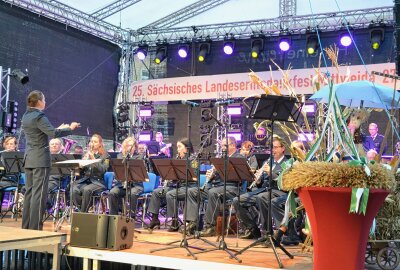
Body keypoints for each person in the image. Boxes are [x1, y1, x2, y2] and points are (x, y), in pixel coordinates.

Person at [21, 90, 80, 230]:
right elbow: (53, 133)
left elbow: (41, 132)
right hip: (40, 160)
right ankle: (35, 228)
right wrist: (69, 128)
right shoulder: (39, 115)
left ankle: (26, 226)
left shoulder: (26, 116)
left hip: (29, 158)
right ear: (40, 101)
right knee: (39, 194)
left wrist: (57, 129)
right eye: (45, 100)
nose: (45, 102)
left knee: (29, 193)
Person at [186, 137, 244, 237]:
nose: (222, 148)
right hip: (216, 186)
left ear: (233, 145)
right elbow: (218, 176)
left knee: (213, 193)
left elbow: (240, 177)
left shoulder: (239, 158)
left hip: (232, 187)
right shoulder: (222, 158)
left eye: (224, 145)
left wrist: (221, 172)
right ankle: (192, 223)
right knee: (192, 191)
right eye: (221, 145)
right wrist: (212, 176)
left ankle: (210, 227)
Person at [232, 136, 287, 239]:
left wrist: (271, 173)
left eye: (276, 147)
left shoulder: (287, 163)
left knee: (262, 197)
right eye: (272, 148)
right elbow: (262, 183)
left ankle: (267, 234)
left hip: (279, 191)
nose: (273, 150)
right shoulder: (269, 161)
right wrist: (258, 180)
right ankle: (253, 229)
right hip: (264, 190)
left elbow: (285, 182)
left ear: (283, 148)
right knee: (237, 200)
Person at [148, 138, 197, 232]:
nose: (178, 149)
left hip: (189, 187)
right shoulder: (177, 159)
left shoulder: (193, 160)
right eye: (177, 147)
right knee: (156, 192)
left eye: (180, 147)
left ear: (187, 148)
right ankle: (155, 219)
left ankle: (174, 221)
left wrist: (180, 174)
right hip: (176, 186)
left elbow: (194, 176)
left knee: (170, 194)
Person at [109, 136, 147, 216]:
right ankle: (114, 216)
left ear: (135, 147)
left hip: (136, 185)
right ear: (125, 146)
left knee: (132, 193)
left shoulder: (139, 157)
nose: (130, 147)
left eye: (132, 146)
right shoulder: (120, 156)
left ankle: (132, 217)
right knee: (112, 192)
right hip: (122, 185)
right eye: (128, 145)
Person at [72, 134, 110, 212]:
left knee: (87, 190)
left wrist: (93, 159)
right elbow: (78, 173)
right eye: (91, 141)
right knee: (73, 189)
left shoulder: (105, 156)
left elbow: (103, 170)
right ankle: (81, 210)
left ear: (100, 144)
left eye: (95, 142)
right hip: (85, 180)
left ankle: (83, 214)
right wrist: (81, 165)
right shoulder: (86, 154)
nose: (92, 143)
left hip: (98, 182)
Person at [0, 136, 19, 208]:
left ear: (15, 145)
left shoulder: (19, 155)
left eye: (11, 144)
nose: (9, 146)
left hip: (13, 179)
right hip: (3, 178)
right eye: (7, 144)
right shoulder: (1, 154)